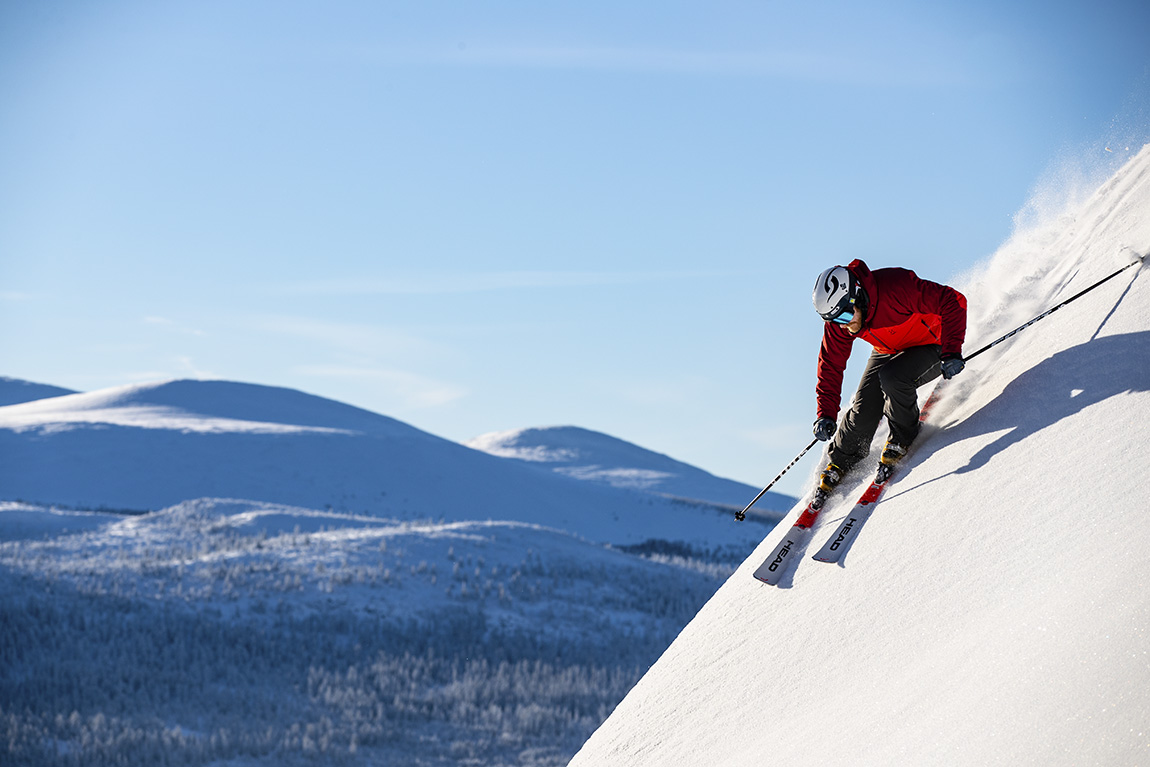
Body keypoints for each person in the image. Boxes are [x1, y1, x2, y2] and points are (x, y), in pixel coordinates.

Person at [810, 259, 967, 502]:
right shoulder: (840, 324)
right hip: (888, 348)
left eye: (847, 315)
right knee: (864, 407)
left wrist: (951, 350)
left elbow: (952, 300)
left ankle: (903, 436)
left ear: (858, 297)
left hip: (932, 342)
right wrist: (826, 413)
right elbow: (831, 365)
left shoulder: (896, 288)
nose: (846, 324)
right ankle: (842, 459)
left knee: (893, 378)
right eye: (837, 320)